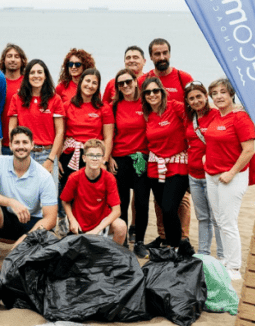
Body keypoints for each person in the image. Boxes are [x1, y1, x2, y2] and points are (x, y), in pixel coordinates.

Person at [0, 126, 58, 266]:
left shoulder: (44, 176)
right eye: (17, 142)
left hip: (32, 222)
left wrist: (26, 239)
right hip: (7, 219)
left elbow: (51, 219)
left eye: (25, 142)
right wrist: (11, 202)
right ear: (10, 145)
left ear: (32, 145)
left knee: (28, 264)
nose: (21, 147)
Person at [205, 78, 255, 281]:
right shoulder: (217, 116)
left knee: (228, 221)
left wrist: (232, 172)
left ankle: (234, 268)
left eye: (222, 92)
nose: (218, 96)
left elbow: (249, 150)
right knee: (219, 220)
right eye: (215, 93)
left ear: (231, 94)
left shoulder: (240, 117)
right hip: (212, 175)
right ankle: (226, 259)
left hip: (231, 177)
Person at [59, 68, 114, 236]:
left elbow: (108, 137)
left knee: (90, 194)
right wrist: (57, 160)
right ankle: (72, 228)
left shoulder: (103, 108)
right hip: (70, 156)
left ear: (98, 87)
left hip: (93, 157)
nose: (90, 85)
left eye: (94, 83)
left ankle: (93, 230)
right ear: (80, 82)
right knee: (70, 194)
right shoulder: (68, 105)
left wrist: (103, 161)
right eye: (87, 81)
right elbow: (60, 133)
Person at [142, 76, 191, 251]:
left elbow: (195, 122)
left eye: (155, 90)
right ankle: (169, 245)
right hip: (156, 167)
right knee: (163, 209)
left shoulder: (176, 107)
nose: (152, 94)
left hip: (177, 164)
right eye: (147, 92)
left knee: (170, 208)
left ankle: (177, 246)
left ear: (162, 92)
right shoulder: (147, 114)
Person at [108, 69, 152, 257]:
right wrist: (108, 158)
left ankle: (140, 242)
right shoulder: (114, 106)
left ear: (136, 81)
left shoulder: (146, 103)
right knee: (122, 202)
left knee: (142, 202)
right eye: (121, 83)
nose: (125, 86)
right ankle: (123, 240)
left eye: (128, 81)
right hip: (119, 159)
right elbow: (108, 134)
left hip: (141, 159)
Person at [184, 81, 224, 261]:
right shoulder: (190, 117)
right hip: (193, 175)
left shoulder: (217, 115)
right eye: (191, 98)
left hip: (213, 175)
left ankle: (223, 256)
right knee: (202, 217)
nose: (196, 101)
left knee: (217, 218)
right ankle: (203, 254)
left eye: (199, 96)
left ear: (206, 96)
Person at [61, 139, 127, 244]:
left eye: (98, 156)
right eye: (91, 155)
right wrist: (72, 220)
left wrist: (97, 230)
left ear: (102, 158)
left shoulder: (109, 178)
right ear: (84, 158)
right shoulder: (74, 177)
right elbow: (65, 200)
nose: (94, 159)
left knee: (121, 226)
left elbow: (116, 211)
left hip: (100, 223)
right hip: (79, 224)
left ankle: (113, 258)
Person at [7, 59, 64, 174]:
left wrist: (51, 159)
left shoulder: (55, 99)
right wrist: (18, 150)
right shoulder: (17, 98)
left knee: (47, 192)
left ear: (45, 76)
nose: (36, 76)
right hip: (24, 152)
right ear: (27, 76)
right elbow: (12, 129)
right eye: (32, 73)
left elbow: (60, 131)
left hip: (47, 154)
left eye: (39, 72)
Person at [137, 38, 194, 103]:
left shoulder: (184, 78)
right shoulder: (142, 81)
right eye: (157, 54)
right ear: (151, 57)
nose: (162, 57)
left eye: (165, 53)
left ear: (169, 54)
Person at [0, 43, 27, 155]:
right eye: (9, 56)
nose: (13, 60)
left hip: (24, 142)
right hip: (1, 141)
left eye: (16, 56)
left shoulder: (28, 83)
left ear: (22, 60)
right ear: (3, 60)